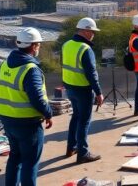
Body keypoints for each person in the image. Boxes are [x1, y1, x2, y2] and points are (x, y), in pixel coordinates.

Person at [0, 27, 53, 186]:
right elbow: (37, 98)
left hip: (8, 119)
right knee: (30, 162)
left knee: (15, 157)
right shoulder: (30, 69)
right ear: (34, 46)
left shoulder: (4, 65)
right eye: (38, 44)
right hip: (28, 122)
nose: (39, 47)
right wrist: (48, 113)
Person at [62, 17, 104, 164]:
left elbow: (65, 65)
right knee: (84, 121)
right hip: (83, 89)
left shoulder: (66, 44)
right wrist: (98, 92)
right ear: (86, 31)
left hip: (70, 87)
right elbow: (91, 74)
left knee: (76, 117)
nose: (93, 35)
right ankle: (83, 153)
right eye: (92, 32)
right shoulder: (85, 49)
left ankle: (71, 147)